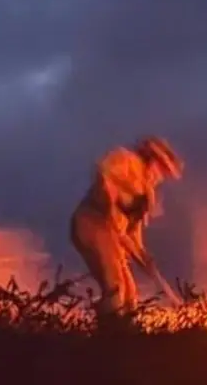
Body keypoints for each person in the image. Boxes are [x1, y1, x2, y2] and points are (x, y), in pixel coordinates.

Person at [70, 135, 184, 321]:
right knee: (115, 285)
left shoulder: (147, 194)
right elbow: (102, 172)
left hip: (112, 234)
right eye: (161, 169)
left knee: (130, 291)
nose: (160, 176)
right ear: (151, 158)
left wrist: (143, 256)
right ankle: (111, 332)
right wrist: (114, 201)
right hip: (92, 223)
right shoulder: (127, 160)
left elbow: (132, 232)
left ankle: (127, 333)